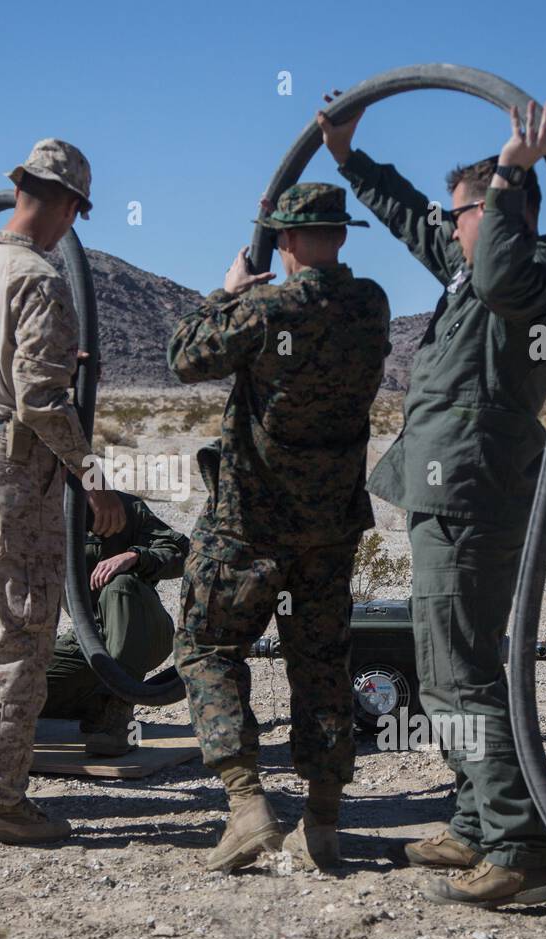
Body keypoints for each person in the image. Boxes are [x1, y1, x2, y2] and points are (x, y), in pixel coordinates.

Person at [321, 93, 546, 906]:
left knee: (459, 673)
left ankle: (518, 847)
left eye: (459, 214)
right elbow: (414, 222)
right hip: (445, 488)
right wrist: (350, 157)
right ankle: (472, 821)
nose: (447, 226)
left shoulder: (528, 278)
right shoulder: (475, 264)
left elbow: (494, 262)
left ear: (500, 212)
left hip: (471, 491)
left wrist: (504, 179)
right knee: (441, 667)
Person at [168, 183, 390, 873]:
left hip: (250, 523)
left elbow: (184, 358)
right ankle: (322, 819)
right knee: (321, 661)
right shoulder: (371, 304)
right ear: (340, 237)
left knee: (207, 646)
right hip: (330, 525)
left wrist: (227, 292)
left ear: (285, 242)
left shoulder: (269, 307)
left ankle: (245, 804)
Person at [0, 139, 125, 846]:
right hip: (10, 464)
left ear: (21, 190)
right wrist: (92, 474)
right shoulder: (39, 279)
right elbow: (42, 399)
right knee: (17, 629)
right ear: (72, 206)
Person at [42, 491, 188, 756]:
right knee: (22, 693)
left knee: (122, 585)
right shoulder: (30, 510)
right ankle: (95, 704)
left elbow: (182, 552)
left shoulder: (115, 505)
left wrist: (135, 556)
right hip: (88, 639)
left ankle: (117, 716)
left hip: (142, 629)